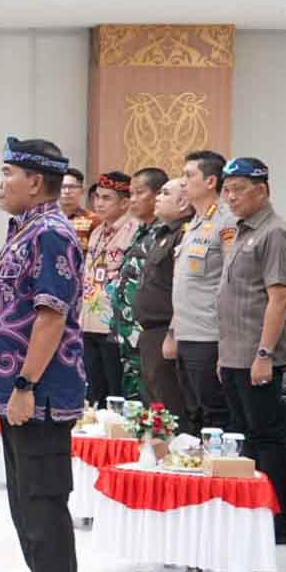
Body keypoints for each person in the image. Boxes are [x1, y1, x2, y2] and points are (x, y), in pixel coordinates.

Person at [0, 137, 86, 572]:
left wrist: (24, 385)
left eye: (8, 173)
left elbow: (51, 317)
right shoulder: (25, 229)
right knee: (25, 505)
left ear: (36, 181)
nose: (0, 183)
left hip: (38, 395)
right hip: (16, 395)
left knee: (43, 504)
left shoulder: (53, 234)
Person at [216, 157, 286, 544]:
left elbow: (278, 299)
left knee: (267, 438)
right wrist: (223, 354)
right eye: (226, 191)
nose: (230, 198)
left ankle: (276, 520)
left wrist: (264, 354)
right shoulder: (239, 230)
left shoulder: (274, 232)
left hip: (257, 356)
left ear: (261, 190)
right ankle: (248, 512)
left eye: (237, 190)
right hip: (233, 353)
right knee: (243, 435)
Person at [164, 151, 233, 435]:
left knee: (214, 415)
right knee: (192, 413)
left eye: (189, 175)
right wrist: (172, 331)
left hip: (209, 335)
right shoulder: (192, 223)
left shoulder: (226, 222)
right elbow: (184, 284)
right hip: (186, 332)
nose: (183, 181)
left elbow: (229, 282)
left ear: (211, 181)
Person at [130, 176, 192, 424]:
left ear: (183, 203)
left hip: (166, 330)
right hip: (149, 332)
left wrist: (172, 332)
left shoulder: (184, 234)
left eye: (165, 193)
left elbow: (182, 289)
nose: (158, 198)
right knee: (154, 407)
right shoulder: (163, 233)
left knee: (171, 407)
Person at [110, 167, 170, 400]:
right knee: (132, 398)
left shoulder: (164, 233)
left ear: (157, 194)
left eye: (139, 193)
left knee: (155, 398)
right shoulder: (141, 231)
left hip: (149, 331)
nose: (132, 199)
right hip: (127, 332)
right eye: (130, 193)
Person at [79, 171, 137, 404]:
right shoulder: (96, 232)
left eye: (106, 198)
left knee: (116, 390)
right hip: (90, 318)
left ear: (124, 202)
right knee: (95, 390)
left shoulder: (134, 230)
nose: (99, 203)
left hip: (114, 323)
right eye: (97, 197)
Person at [60, 167, 95, 249]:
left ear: (82, 190)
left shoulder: (93, 220)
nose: (67, 191)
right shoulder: (47, 219)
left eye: (71, 187)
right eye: (63, 187)